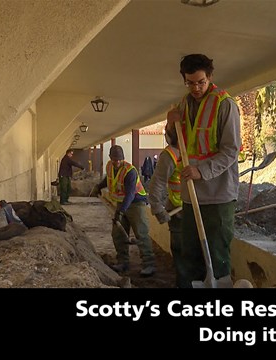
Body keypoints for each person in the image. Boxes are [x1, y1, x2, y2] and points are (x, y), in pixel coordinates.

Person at [165, 53, 241, 287]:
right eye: (190, 82)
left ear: (210, 77)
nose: (196, 88)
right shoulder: (183, 105)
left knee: (217, 253)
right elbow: (176, 142)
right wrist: (170, 124)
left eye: (201, 82)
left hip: (218, 195)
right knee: (190, 254)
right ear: (184, 80)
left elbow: (231, 151)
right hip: (192, 195)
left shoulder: (225, 105)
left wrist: (202, 171)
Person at [95, 145, 156, 277]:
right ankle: (123, 261)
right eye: (115, 159)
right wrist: (99, 186)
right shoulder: (110, 167)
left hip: (136, 204)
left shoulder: (130, 171)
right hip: (122, 203)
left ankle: (149, 264)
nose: (117, 162)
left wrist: (120, 212)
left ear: (123, 158)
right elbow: (108, 179)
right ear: (110, 158)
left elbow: (130, 194)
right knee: (118, 234)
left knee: (141, 233)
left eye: (119, 159)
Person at [147, 134, 186, 287]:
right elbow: (157, 183)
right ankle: (183, 283)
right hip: (178, 210)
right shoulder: (170, 155)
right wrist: (157, 209)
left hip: (197, 210)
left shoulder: (197, 151)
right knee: (180, 250)